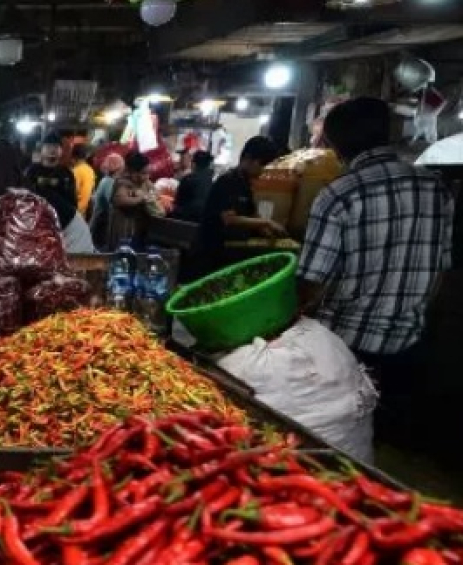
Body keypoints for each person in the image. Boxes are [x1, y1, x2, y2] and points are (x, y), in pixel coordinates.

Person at [298, 97, 454, 444]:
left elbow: (312, 282)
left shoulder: (339, 194)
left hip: (349, 345)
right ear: (390, 132)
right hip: (411, 342)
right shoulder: (436, 188)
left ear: (335, 145)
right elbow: (441, 270)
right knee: (387, 443)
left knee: (340, 440)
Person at [188, 136, 286, 282]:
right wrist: (266, 223)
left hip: (230, 252)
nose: (263, 171)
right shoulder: (228, 181)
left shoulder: (245, 183)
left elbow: (252, 213)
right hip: (210, 254)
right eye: (262, 164)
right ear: (248, 158)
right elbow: (229, 218)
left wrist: (266, 232)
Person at [101, 151, 163, 251]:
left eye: (148, 173)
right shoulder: (122, 182)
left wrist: (150, 196)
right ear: (132, 171)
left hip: (140, 229)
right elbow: (120, 200)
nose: (146, 176)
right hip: (125, 228)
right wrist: (141, 198)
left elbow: (156, 193)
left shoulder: (145, 182)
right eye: (143, 173)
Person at [25, 133, 77, 209]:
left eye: (56, 147)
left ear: (61, 150)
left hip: (60, 217)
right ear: (42, 150)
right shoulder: (32, 171)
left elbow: (72, 202)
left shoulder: (67, 174)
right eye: (48, 147)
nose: (52, 150)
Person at [89, 153, 124, 245]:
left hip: (99, 224)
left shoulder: (106, 180)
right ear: (119, 168)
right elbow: (113, 203)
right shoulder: (109, 182)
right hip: (101, 226)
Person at [174, 150, 215, 222]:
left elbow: (177, 202)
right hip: (204, 221)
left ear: (193, 164)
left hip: (187, 220)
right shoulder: (211, 181)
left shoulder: (188, 179)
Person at [69, 143, 95, 218]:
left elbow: (72, 192)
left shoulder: (75, 172)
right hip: (84, 212)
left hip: (74, 213)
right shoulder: (90, 170)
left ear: (74, 157)